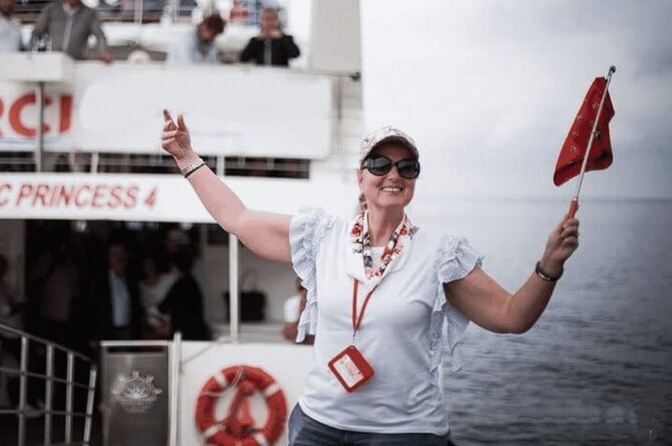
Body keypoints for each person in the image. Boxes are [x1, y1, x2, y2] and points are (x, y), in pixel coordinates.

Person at [160, 111, 580, 445]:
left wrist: (548, 267)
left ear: (414, 178)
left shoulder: (440, 254)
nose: (393, 174)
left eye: (406, 166)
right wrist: (187, 159)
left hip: (404, 433)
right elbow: (238, 218)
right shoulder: (322, 237)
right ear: (361, 177)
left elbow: (511, 317)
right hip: (318, 427)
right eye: (379, 163)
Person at [29, 0, 113, 63]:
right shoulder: (51, 10)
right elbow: (37, 31)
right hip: (53, 60)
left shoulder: (89, 14)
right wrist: (31, 53)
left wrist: (103, 52)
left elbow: (100, 35)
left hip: (78, 62)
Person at [155, 246, 211, 341]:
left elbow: (163, 307)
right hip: (195, 333)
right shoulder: (193, 284)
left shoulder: (179, 286)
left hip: (183, 334)